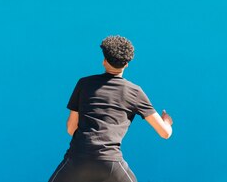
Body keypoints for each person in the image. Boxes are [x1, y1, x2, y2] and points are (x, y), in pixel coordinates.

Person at [47, 35, 173, 182]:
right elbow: (164, 133)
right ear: (126, 64)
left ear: (104, 61)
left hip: (77, 159)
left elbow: (71, 129)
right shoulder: (135, 92)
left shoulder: (84, 84)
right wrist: (167, 122)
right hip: (110, 163)